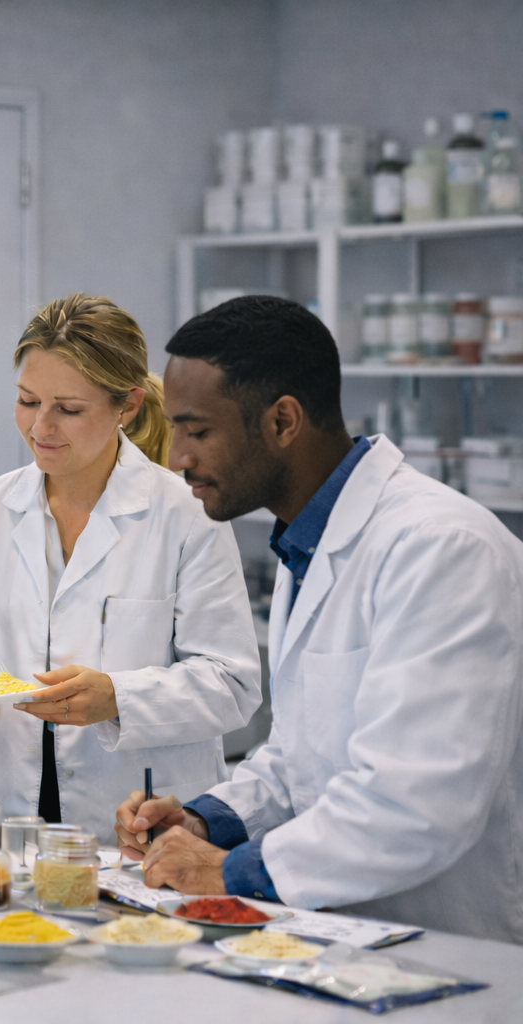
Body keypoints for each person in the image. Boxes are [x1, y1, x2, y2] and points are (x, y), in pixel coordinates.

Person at [116, 294, 523, 943]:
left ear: (282, 421)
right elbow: (305, 755)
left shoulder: (442, 549)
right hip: (350, 944)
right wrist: (208, 820)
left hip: (459, 950)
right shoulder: (309, 542)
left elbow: (415, 805)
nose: (176, 458)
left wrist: (232, 871)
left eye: (196, 431)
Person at [0, 294, 261, 837]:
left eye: (70, 409)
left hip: (138, 821)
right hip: (8, 814)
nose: (42, 427)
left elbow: (232, 684)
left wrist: (118, 699)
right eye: (28, 401)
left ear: (127, 406)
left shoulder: (186, 514)